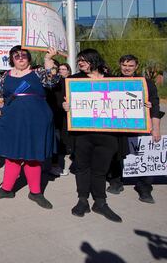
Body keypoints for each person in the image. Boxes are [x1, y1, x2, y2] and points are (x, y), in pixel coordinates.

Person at [0, 46, 58, 209]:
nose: (20, 58)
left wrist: (48, 60)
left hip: (36, 120)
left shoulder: (39, 72)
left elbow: (53, 80)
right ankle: (7, 189)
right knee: (12, 154)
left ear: (29, 58)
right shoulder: (6, 75)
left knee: (32, 156)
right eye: (16, 55)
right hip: (12, 119)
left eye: (24, 55)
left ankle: (35, 192)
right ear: (12, 58)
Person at [62, 49, 123, 222]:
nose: (80, 63)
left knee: (100, 170)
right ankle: (82, 200)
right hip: (83, 134)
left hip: (108, 135)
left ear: (94, 60)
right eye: (79, 60)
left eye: (84, 60)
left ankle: (100, 202)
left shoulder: (115, 81)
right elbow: (65, 101)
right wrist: (66, 107)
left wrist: (144, 104)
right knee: (82, 167)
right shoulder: (73, 80)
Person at [106, 54, 163, 203]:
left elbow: (155, 106)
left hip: (141, 127)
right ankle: (116, 181)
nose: (127, 68)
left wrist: (155, 128)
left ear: (136, 67)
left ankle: (144, 188)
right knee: (116, 153)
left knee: (143, 156)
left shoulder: (146, 83)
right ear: (120, 65)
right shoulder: (112, 81)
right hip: (118, 126)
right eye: (124, 65)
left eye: (130, 65)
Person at [48, 60, 71, 177]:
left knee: (64, 139)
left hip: (66, 115)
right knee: (56, 139)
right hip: (54, 114)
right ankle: (55, 165)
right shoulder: (53, 82)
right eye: (59, 69)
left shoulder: (71, 82)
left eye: (64, 69)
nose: (61, 71)